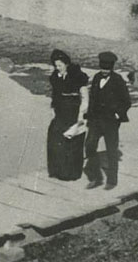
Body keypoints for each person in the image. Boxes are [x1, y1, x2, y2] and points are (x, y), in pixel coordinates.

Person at [84, 51, 131, 190]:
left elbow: (127, 101)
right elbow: (93, 98)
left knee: (111, 149)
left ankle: (112, 180)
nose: (104, 71)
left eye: (107, 69)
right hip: (96, 120)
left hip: (110, 121)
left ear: (112, 67)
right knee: (89, 146)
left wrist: (118, 114)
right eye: (102, 68)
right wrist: (89, 117)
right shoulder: (97, 77)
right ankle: (96, 178)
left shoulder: (118, 80)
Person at [47, 49, 89, 181]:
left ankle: (71, 173)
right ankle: (57, 171)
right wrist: (53, 108)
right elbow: (55, 94)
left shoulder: (77, 76)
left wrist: (81, 115)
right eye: (56, 65)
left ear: (66, 64)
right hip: (61, 111)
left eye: (60, 65)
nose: (57, 68)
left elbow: (85, 97)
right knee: (55, 138)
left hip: (74, 110)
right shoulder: (55, 76)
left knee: (73, 142)